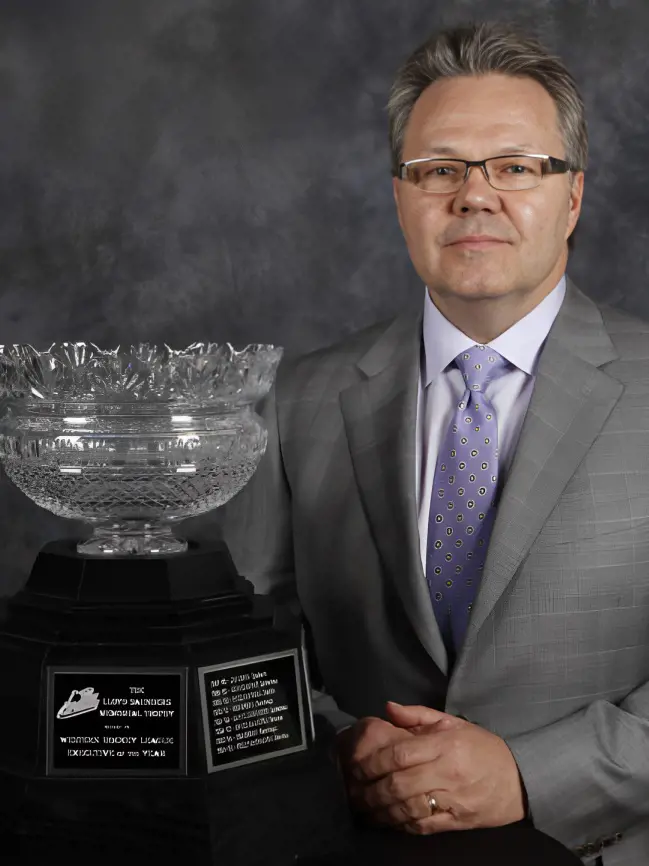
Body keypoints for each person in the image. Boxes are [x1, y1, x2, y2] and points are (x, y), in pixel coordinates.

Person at [222, 19, 649, 865]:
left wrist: (527, 775)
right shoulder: (298, 399)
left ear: (571, 196)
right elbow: (242, 649)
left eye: (516, 167)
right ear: (398, 195)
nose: (473, 195)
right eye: (438, 169)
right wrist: (345, 757)